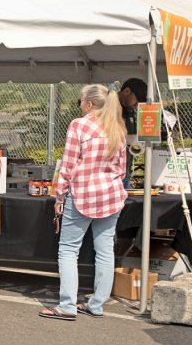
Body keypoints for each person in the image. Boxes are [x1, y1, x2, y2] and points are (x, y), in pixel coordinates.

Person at [39, 84, 127, 320]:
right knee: (105, 250)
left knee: (68, 250)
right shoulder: (117, 128)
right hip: (111, 195)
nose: (79, 104)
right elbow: (121, 168)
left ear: (89, 104)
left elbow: (68, 166)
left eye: (81, 100)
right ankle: (97, 304)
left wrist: (59, 196)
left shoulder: (79, 125)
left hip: (82, 195)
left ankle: (67, 305)